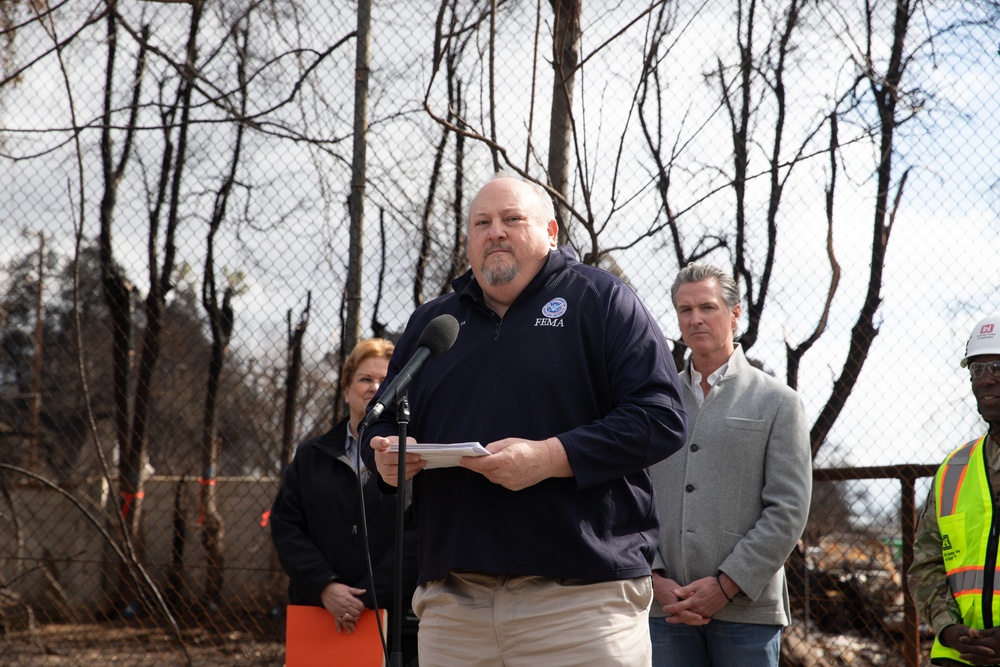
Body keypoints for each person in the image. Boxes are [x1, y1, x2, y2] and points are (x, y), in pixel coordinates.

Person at [360, 172, 687, 666]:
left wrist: (551, 458)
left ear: (551, 233)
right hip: (453, 608)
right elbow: (378, 421)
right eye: (482, 223)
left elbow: (661, 417)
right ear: (469, 240)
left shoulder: (602, 301)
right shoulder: (435, 324)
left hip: (581, 601)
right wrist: (383, 456)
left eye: (513, 219)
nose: (496, 232)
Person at [647, 263, 812, 666]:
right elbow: (634, 496)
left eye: (708, 306)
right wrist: (654, 581)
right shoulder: (654, 404)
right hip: (664, 607)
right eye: (685, 310)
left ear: (735, 314)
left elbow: (788, 510)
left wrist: (725, 585)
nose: (696, 318)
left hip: (746, 611)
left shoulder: (778, 402)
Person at [270, 338, 418, 665]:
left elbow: (420, 534)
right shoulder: (311, 456)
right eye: (365, 379)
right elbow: (286, 526)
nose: (375, 388)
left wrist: (365, 598)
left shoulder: (419, 458)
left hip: (395, 623)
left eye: (387, 381)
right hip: (318, 616)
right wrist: (325, 586)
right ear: (347, 389)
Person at [909, 311, 1000, 666]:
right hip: (958, 656)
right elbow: (926, 563)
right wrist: (947, 628)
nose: (986, 380)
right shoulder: (954, 469)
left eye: (997, 366)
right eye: (977, 370)